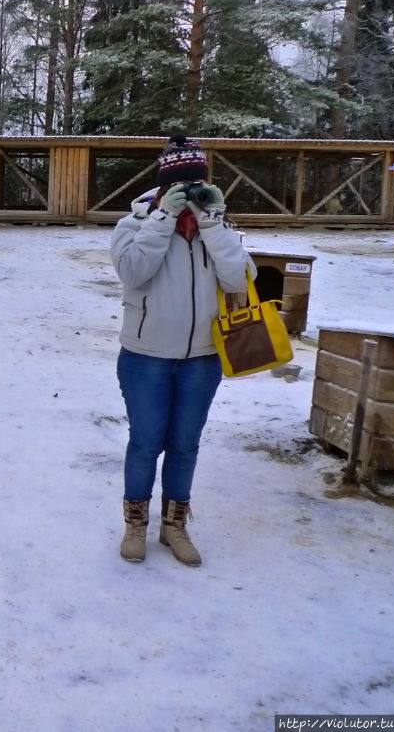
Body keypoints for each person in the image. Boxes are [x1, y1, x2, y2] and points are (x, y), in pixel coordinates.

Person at [109, 135, 251, 566]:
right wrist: (163, 218)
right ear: (163, 186)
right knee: (146, 443)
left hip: (203, 358)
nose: (189, 193)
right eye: (181, 185)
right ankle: (136, 525)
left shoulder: (218, 228)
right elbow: (132, 271)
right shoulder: (134, 224)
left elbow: (240, 281)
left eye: (196, 185)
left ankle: (175, 526)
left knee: (185, 445)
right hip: (145, 356)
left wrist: (212, 225)